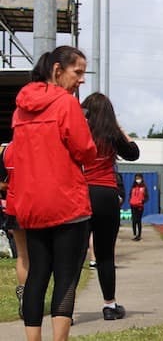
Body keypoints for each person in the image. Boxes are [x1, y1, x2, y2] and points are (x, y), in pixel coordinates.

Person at [12, 45, 97, 340]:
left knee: (37, 275)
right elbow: (85, 150)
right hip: (65, 203)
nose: (82, 80)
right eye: (79, 72)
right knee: (65, 277)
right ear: (58, 71)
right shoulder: (66, 104)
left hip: (32, 205)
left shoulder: (20, 108)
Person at [82, 92, 140, 321]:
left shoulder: (78, 131)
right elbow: (133, 153)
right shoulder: (112, 134)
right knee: (106, 255)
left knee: (75, 256)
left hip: (82, 193)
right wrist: (118, 127)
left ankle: (64, 311)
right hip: (106, 194)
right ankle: (109, 305)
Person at [0, 142, 28, 320]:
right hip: (39, 205)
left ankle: (25, 296)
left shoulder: (7, 150)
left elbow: (1, 183)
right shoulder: (40, 144)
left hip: (15, 205)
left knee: (23, 256)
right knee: (43, 256)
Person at [128, 173, 148, 241]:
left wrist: (142, 201)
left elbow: (147, 197)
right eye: (136, 178)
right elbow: (130, 195)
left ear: (142, 179)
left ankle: (139, 235)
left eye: (139, 178)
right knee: (134, 220)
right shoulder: (133, 187)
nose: (137, 179)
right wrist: (130, 201)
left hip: (140, 206)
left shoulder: (144, 187)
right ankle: (135, 235)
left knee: (138, 220)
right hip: (133, 205)